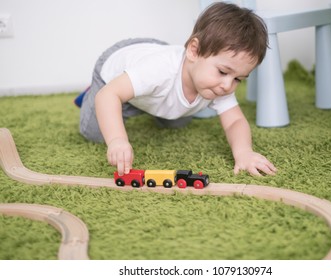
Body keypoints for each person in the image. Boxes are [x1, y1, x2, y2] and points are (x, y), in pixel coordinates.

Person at [77, 2, 277, 177]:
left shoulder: (218, 83)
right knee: (96, 131)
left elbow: (235, 121)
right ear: (194, 51)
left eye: (238, 79)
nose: (227, 85)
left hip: (162, 70)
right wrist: (117, 140)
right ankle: (96, 95)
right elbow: (108, 95)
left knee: (175, 121)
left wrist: (244, 152)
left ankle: (139, 97)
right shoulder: (157, 70)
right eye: (223, 72)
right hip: (115, 69)